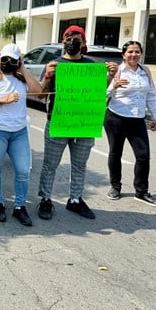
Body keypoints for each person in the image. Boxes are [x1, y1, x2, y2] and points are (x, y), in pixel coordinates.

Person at [37, 25, 118, 221]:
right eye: (68, 37)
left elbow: (98, 92)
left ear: (83, 43)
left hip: (84, 124)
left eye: (76, 38)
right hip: (58, 121)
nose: (72, 41)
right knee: (50, 164)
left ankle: (75, 200)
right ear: (63, 41)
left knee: (80, 165)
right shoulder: (54, 64)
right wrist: (48, 75)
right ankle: (46, 199)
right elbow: (41, 94)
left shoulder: (91, 66)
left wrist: (110, 76)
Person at [0, 43, 42, 226]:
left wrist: (23, 69)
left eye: (12, 60)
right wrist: (2, 100)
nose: (7, 62)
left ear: (18, 61)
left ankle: (20, 207)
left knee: (22, 170)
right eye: (4, 59)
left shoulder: (22, 80)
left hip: (18, 132)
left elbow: (38, 92)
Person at [104, 41, 156, 207]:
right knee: (115, 153)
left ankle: (141, 192)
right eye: (130, 52)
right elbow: (101, 94)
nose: (134, 55)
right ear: (124, 54)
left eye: (137, 52)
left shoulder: (145, 71)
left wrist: (155, 116)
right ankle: (115, 186)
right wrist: (113, 85)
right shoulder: (117, 71)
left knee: (143, 155)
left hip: (137, 119)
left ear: (141, 54)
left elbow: (151, 94)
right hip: (116, 117)